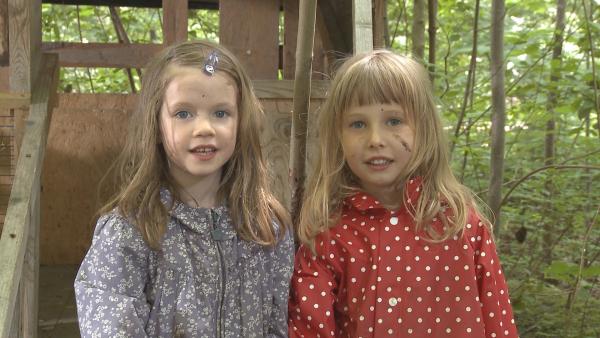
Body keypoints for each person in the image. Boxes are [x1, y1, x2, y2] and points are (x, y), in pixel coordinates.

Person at [288, 50, 518, 337]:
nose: (375, 140)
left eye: (394, 121)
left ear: (423, 128)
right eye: (358, 124)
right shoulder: (328, 232)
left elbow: (500, 324)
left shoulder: (462, 225)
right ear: (337, 136)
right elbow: (309, 329)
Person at [75, 40, 294, 337]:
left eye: (220, 113)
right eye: (183, 114)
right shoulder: (128, 233)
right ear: (155, 124)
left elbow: (279, 326)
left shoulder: (267, 228)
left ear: (241, 122)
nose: (204, 128)